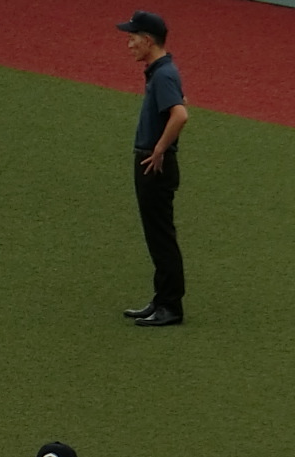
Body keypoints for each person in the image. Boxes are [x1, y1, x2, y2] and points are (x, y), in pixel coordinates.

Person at [119, 10, 188, 327]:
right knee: (157, 236)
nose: (130, 44)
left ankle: (170, 306)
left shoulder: (163, 74)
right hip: (151, 161)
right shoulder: (162, 72)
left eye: (133, 38)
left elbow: (180, 114)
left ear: (148, 40)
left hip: (154, 164)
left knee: (161, 238)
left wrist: (159, 149)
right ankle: (161, 301)